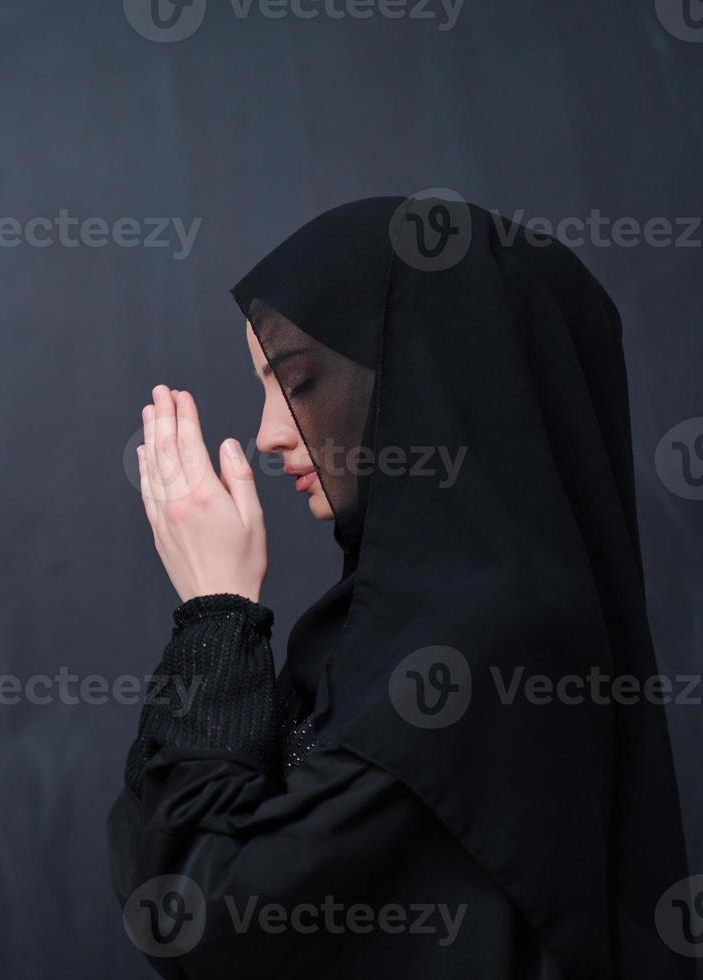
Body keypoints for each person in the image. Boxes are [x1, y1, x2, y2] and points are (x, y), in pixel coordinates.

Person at [108, 197, 694, 978]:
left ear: (427, 376)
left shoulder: (477, 648)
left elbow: (206, 918)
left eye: (297, 381)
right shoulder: (386, 630)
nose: (269, 433)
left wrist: (218, 615)